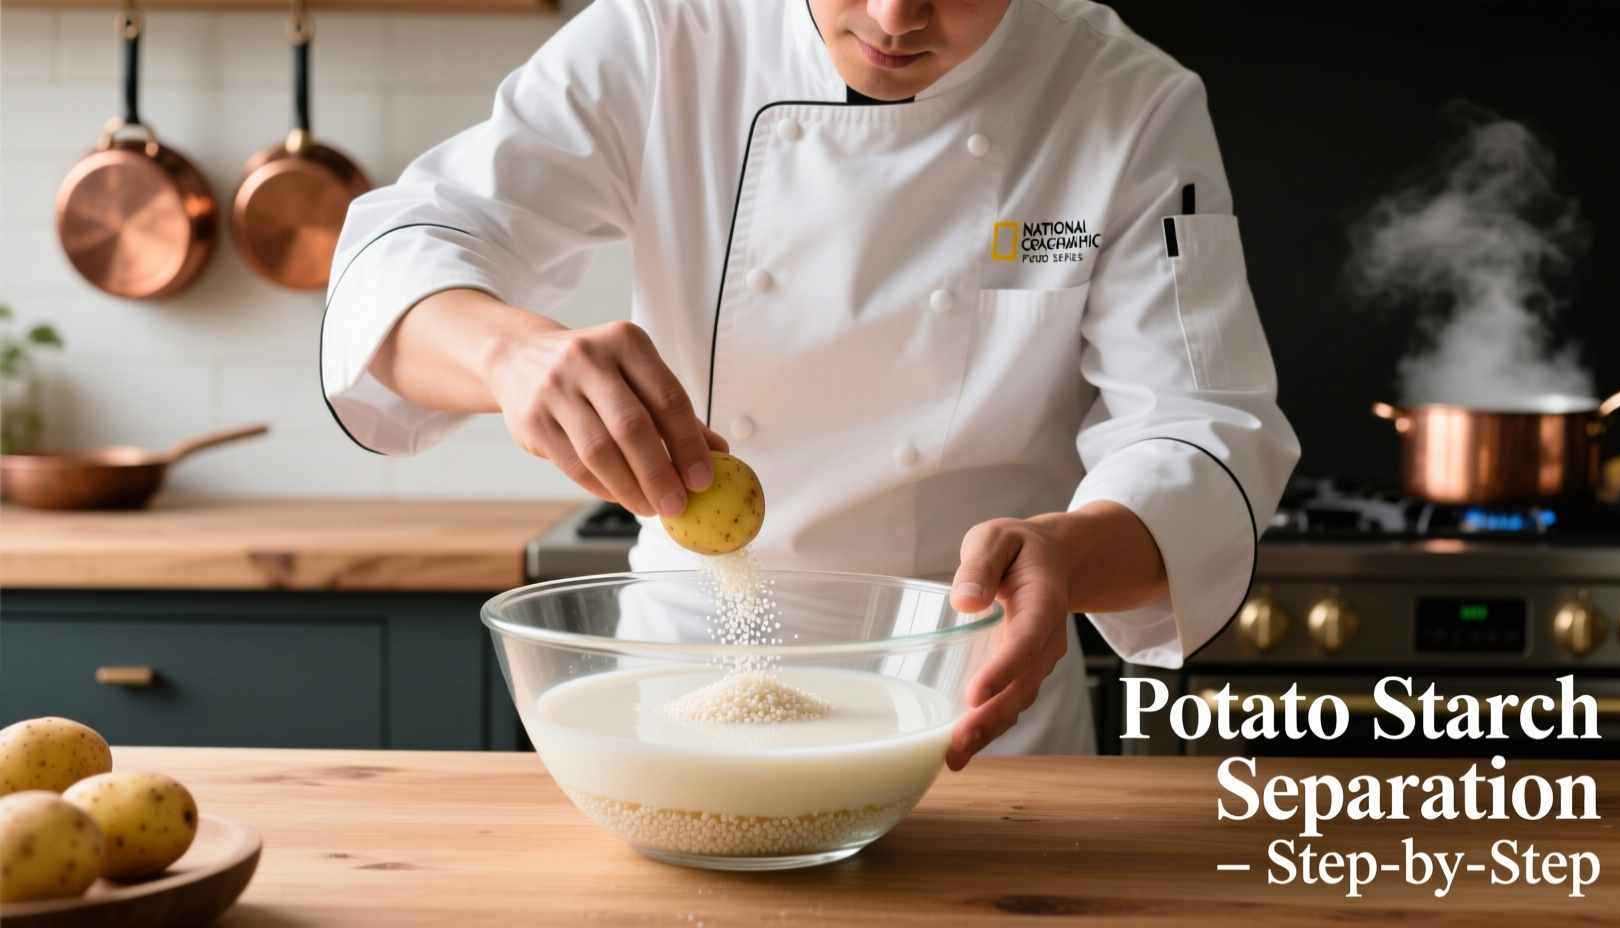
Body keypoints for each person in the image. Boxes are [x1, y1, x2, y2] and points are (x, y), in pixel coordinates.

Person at [320, 0, 1300, 768]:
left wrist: (1071, 555)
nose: (891, 16)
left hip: (967, 708)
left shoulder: (1122, 101)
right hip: (686, 689)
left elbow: (1201, 427)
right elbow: (404, 256)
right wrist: (506, 352)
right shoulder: (666, 33)